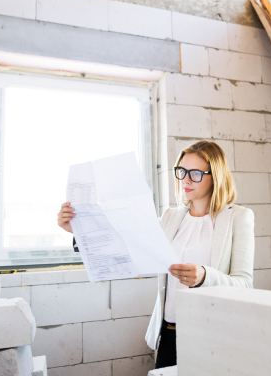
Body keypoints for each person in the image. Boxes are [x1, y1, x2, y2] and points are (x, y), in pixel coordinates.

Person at [57, 141, 255, 369]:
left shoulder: (239, 217)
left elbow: (244, 285)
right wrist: (80, 231)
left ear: (216, 176)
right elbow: (126, 246)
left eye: (196, 173)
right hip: (169, 334)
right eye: (181, 171)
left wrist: (204, 277)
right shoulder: (170, 217)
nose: (186, 180)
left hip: (214, 335)